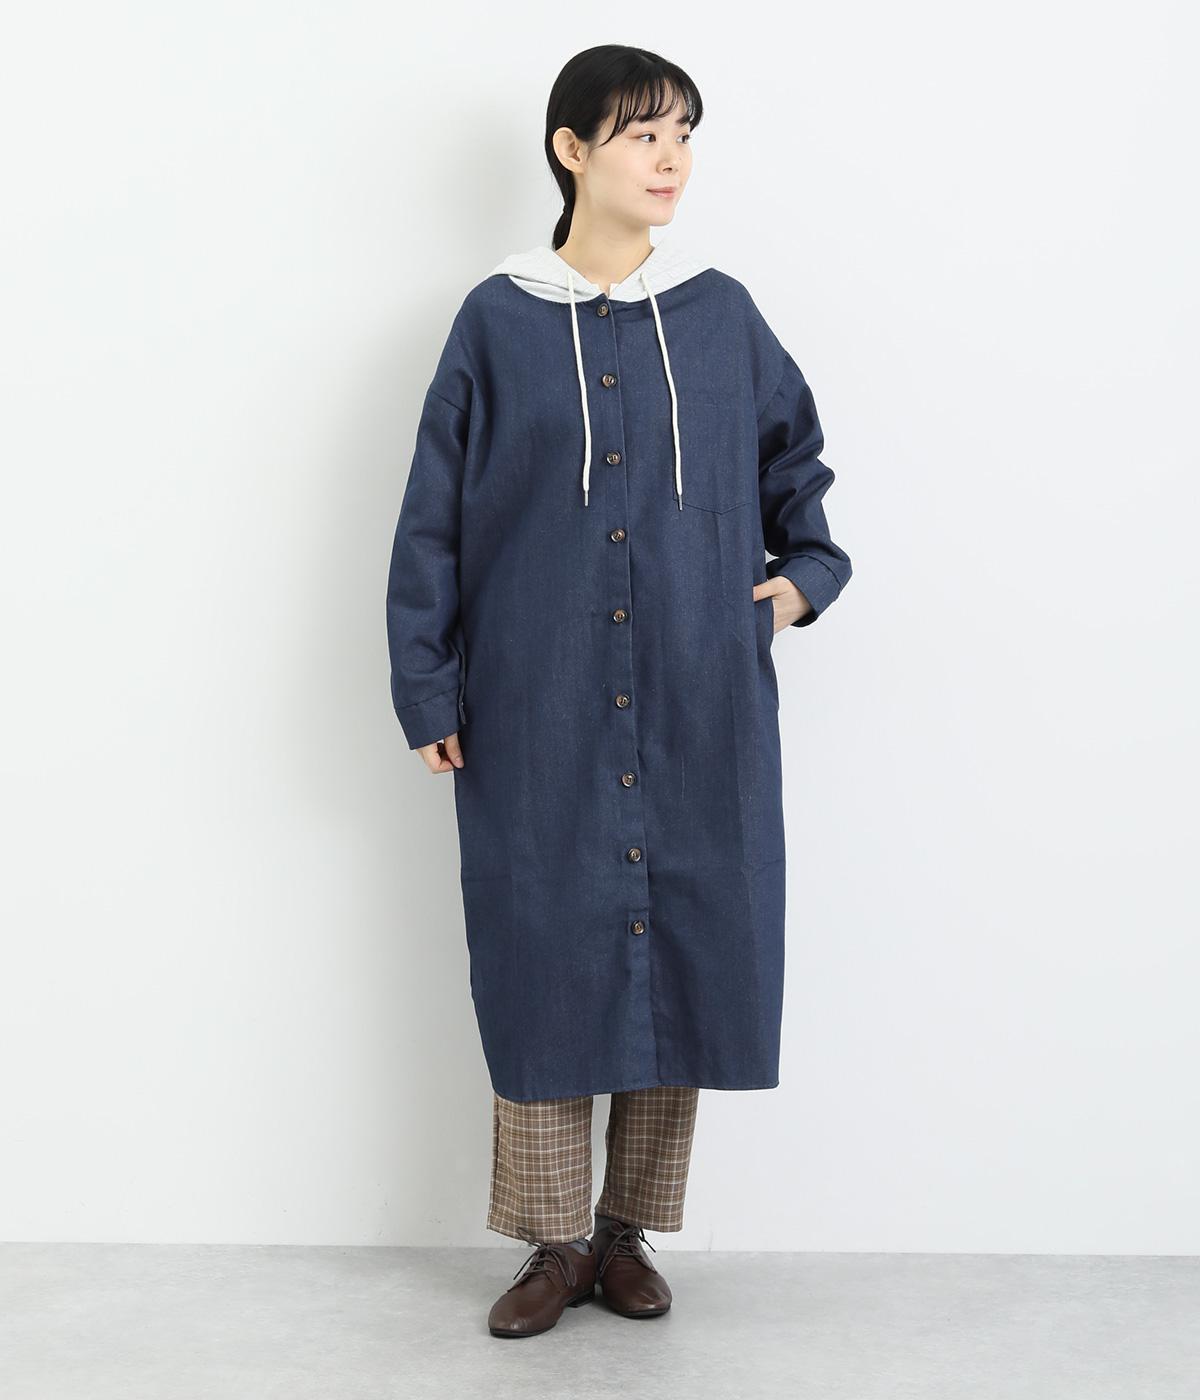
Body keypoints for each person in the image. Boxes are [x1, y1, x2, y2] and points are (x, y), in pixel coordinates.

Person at [386, 44, 853, 1339]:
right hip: (535, 705)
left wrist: (798, 586)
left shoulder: (720, 316)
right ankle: (553, 1245)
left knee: (683, 942)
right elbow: (431, 521)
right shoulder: (494, 322)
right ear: (571, 149)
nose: (671, 159)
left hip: (700, 703)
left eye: (685, 135)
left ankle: (627, 1234)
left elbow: (800, 472)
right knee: (544, 954)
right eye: (645, 133)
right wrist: (427, 688)